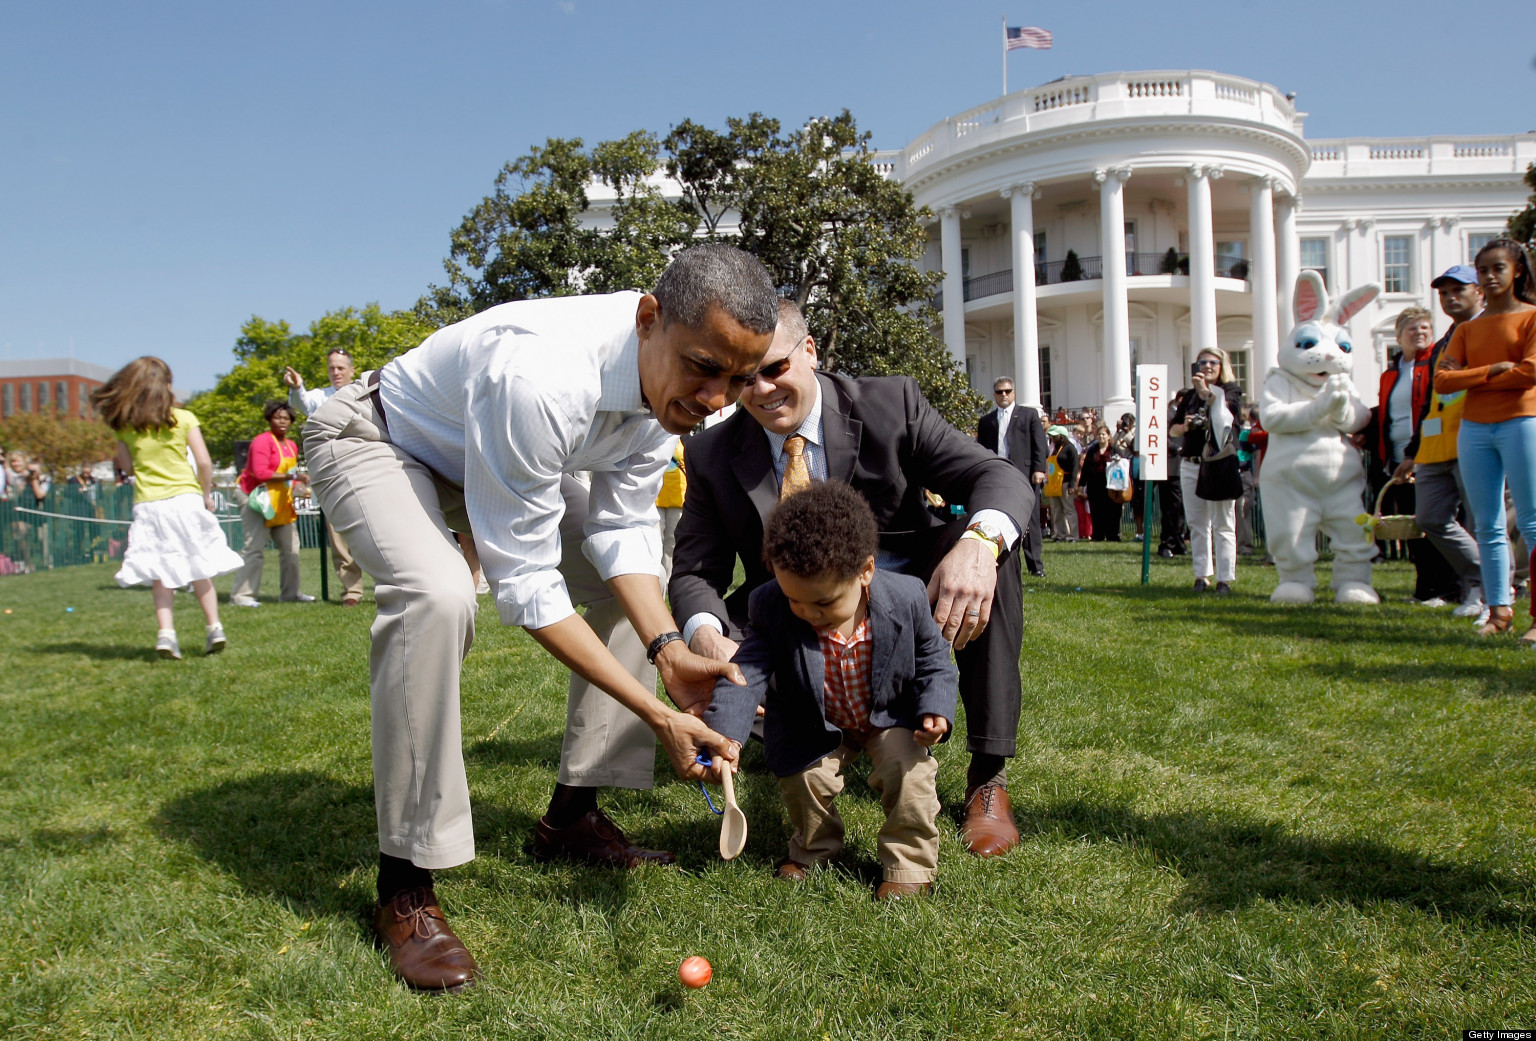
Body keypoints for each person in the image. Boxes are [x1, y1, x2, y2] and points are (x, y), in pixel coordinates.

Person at [302, 243, 775, 991]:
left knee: (629, 578)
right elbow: (524, 582)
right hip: (380, 440)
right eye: (704, 368)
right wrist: (657, 713)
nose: (717, 397)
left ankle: (572, 816)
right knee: (438, 593)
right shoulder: (540, 372)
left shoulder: (668, 387)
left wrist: (669, 648)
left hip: (488, 457)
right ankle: (405, 882)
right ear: (648, 319)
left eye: (739, 378)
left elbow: (620, 533)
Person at [670, 298, 1035, 859]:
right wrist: (703, 630)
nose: (762, 390)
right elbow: (695, 571)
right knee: (735, 631)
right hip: (789, 607)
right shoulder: (712, 452)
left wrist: (979, 545)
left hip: (907, 586)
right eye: (745, 378)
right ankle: (808, 741)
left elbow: (994, 474)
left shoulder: (892, 404)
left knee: (991, 560)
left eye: (774, 369)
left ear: (809, 351)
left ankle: (988, 778)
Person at [701, 482, 956, 900]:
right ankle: (814, 850)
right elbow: (746, 671)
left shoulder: (907, 596)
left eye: (823, 603)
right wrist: (725, 731)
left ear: (866, 571)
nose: (807, 613)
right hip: (815, 722)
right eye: (795, 602)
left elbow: (933, 659)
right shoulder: (770, 605)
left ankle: (909, 863)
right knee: (805, 779)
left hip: (888, 717)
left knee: (907, 774)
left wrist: (935, 709)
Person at [91, 357, 243, 659]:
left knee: (160, 572)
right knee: (199, 565)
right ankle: (214, 627)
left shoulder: (127, 427)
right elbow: (202, 461)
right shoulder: (184, 418)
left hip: (150, 505)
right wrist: (205, 493)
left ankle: (166, 635)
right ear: (166, 386)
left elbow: (127, 466)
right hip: (186, 500)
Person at [1433, 238, 1536, 641]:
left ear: (1518, 272)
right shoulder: (1467, 330)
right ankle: (1498, 611)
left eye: (1498, 269)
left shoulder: (1530, 318)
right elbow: (1443, 381)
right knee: (1488, 526)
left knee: (1530, 521)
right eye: (1483, 270)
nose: (1490, 277)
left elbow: (1530, 372)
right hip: (1474, 429)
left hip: (1522, 421)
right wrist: (1491, 371)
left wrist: (1473, 377)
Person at [1393, 266, 1488, 619]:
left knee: (1481, 521)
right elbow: (1432, 398)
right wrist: (1413, 452)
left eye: (1458, 290)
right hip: (1435, 444)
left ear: (1478, 292)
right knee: (1431, 517)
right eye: (1444, 293)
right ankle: (1485, 582)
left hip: (1477, 436)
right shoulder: (1443, 343)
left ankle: (1483, 593)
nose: (1450, 298)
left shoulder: (1489, 329)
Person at [1370, 307, 1461, 606]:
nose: (1420, 333)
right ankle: (1424, 589)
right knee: (1412, 527)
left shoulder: (1437, 365)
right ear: (1398, 336)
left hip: (1430, 456)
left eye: (1425, 328)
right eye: (1412, 329)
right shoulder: (1390, 374)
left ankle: (1447, 589)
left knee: (1435, 522)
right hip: (1397, 461)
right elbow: (1386, 415)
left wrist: (1418, 454)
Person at [284, 350, 366, 607]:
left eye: (341, 367)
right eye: (332, 368)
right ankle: (352, 590)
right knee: (338, 536)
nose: (336, 372)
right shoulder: (321, 397)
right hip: (333, 474)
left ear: (351, 370)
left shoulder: (364, 392)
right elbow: (303, 404)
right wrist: (298, 387)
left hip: (365, 469)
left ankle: (394, 586)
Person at [1170, 348, 1244, 594]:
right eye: (1203, 362)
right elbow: (1173, 430)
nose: (1208, 366)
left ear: (1222, 366)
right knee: (1198, 523)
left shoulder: (1230, 391)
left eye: (1213, 362)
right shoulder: (1190, 396)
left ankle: (1225, 578)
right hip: (1191, 463)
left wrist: (1206, 393)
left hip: (1218, 463)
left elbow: (1229, 416)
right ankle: (1202, 575)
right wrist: (1185, 425)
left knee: (1223, 522)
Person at [229, 401, 312, 607]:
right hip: (255, 498)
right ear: (269, 419)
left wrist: (298, 487)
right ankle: (242, 596)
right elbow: (261, 473)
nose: (282, 422)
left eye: (286, 418)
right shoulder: (262, 441)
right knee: (254, 548)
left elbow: (287, 479)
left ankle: (291, 594)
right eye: (277, 417)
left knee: (291, 549)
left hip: (280, 501)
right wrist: (295, 475)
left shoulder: (291, 445)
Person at [977, 377, 1049, 577]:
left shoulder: (1028, 415)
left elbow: (1040, 444)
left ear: (1014, 393)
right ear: (994, 395)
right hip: (998, 476)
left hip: (1025, 475)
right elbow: (981, 450)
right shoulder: (986, 422)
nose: (1004, 395)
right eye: (1000, 392)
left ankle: (1036, 566)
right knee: (999, 518)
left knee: (1031, 520)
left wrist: (1039, 469)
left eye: (1008, 391)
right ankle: (1004, 565)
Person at [4, 449, 50, 572]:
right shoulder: (15, 478)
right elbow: (17, 493)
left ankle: (46, 563)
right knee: (20, 533)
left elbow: (40, 495)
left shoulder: (42, 477)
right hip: (21, 512)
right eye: (13, 462)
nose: (15, 464)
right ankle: (27, 563)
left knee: (41, 540)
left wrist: (33, 479)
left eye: (18, 461)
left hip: (38, 511)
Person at [1081, 422, 1127, 541]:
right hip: (1095, 485)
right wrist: (1082, 482)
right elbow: (1086, 466)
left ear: (1108, 436)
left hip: (1111, 485)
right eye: (1099, 434)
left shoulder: (1114, 449)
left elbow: (1122, 465)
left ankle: (1113, 534)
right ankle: (1098, 535)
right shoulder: (1092, 450)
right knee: (1096, 510)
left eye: (1103, 434)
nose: (1101, 437)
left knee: (1113, 511)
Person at [655, 438, 688, 582]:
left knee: (671, 541)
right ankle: (655, 577)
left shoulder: (686, 439)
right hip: (655, 496)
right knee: (655, 539)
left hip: (678, 496)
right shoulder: (656, 438)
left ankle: (669, 578)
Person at [1044, 425, 1079, 542]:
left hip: (1065, 483)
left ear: (1062, 436)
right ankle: (1059, 535)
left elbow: (1075, 467)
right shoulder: (1053, 448)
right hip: (1054, 484)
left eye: (1055, 436)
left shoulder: (1070, 448)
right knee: (1056, 510)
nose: (1052, 438)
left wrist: (1072, 485)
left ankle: (1073, 535)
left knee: (1069, 510)